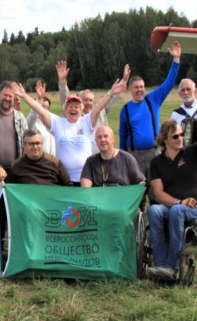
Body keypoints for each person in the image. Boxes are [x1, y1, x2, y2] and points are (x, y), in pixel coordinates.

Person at [11, 79, 127, 185]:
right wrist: (25, 96)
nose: (73, 109)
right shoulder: (57, 123)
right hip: (64, 178)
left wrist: (111, 93)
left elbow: (99, 107)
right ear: (65, 109)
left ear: (81, 110)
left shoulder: (86, 122)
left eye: (76, 106)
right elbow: (39, 109)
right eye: (70, 106)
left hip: (86, 178)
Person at [119, 41, 181, 176]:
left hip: (154, 153)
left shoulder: (153, 100)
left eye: (142, 87)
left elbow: (169, 83)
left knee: (156, 190)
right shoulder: (125, 110)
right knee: (137, 191)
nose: (140, 90)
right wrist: (122, 157)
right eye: (136, 87)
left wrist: (176, 60)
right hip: (133, 156)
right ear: (130, 89)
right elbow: (123, 136)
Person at [147, 120, 197, 279]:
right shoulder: (156, 162)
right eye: (175, 136)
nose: (180, 138)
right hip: (174, 204)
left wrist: (180, 204)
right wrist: (178, 202)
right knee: (154, 210)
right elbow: (158, 193)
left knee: (177, 211)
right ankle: (160, 265)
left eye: (182, 134)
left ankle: (173, 267)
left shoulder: (191, 153)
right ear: (164, 140)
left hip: (193, 206)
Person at [56, 61, 130, 153]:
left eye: (90, 100)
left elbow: (113, 97)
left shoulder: (100, 110)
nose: (88, 103)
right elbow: (66, 100)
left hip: (103, 154)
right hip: (84, 156)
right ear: (80, 102)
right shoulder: (76, 116)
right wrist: (62, 82)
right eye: (85, 100)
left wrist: (124, 80)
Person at [80, 126, 145, 187]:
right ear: (96, 141)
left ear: (113, 139)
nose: (102, 140)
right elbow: (86, 187)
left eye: (105, 136)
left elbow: (140, 182)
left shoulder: (127, 158)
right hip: (99, 198)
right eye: (99, 137)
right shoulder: (91, 161)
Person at [25, 80, 56, 155]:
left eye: (47, 107)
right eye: (43, 107)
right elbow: (30, 120)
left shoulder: (52, 124)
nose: (44, 110)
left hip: (51, 163)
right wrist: (39, 99)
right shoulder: (33, 125)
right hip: (39, 163)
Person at [170, 78, 197, 146]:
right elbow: (172, 136)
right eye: (183, 90)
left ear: (195, 91)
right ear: (179, 94)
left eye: (188, 89)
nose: (186, 92)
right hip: (184, 152)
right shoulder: (175, 114)